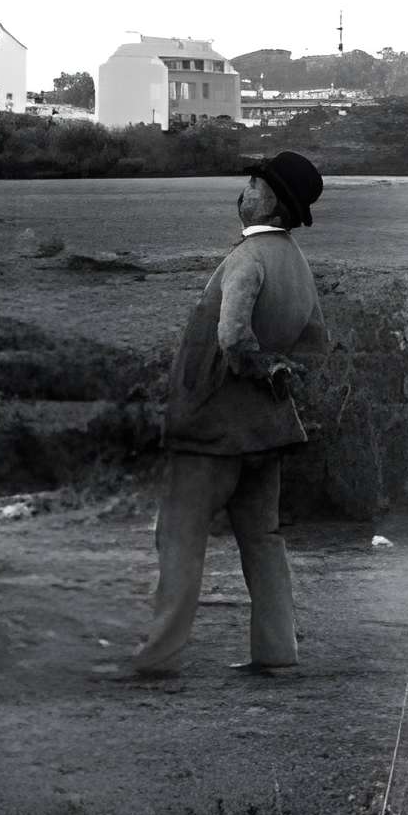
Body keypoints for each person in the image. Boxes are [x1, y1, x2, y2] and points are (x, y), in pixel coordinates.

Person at [120, 150, 329, 677]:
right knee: (264, 538)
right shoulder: (298, 264)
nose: (243, 192)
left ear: (274, 203)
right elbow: (315, 342)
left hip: (213, 428)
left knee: (180, 533)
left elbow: (233, 338)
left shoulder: (247, 258)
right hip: (269, 428)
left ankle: (158, 656)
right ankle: (277, 653)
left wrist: (256, 367)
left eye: (254, 184)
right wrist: (281, 378)